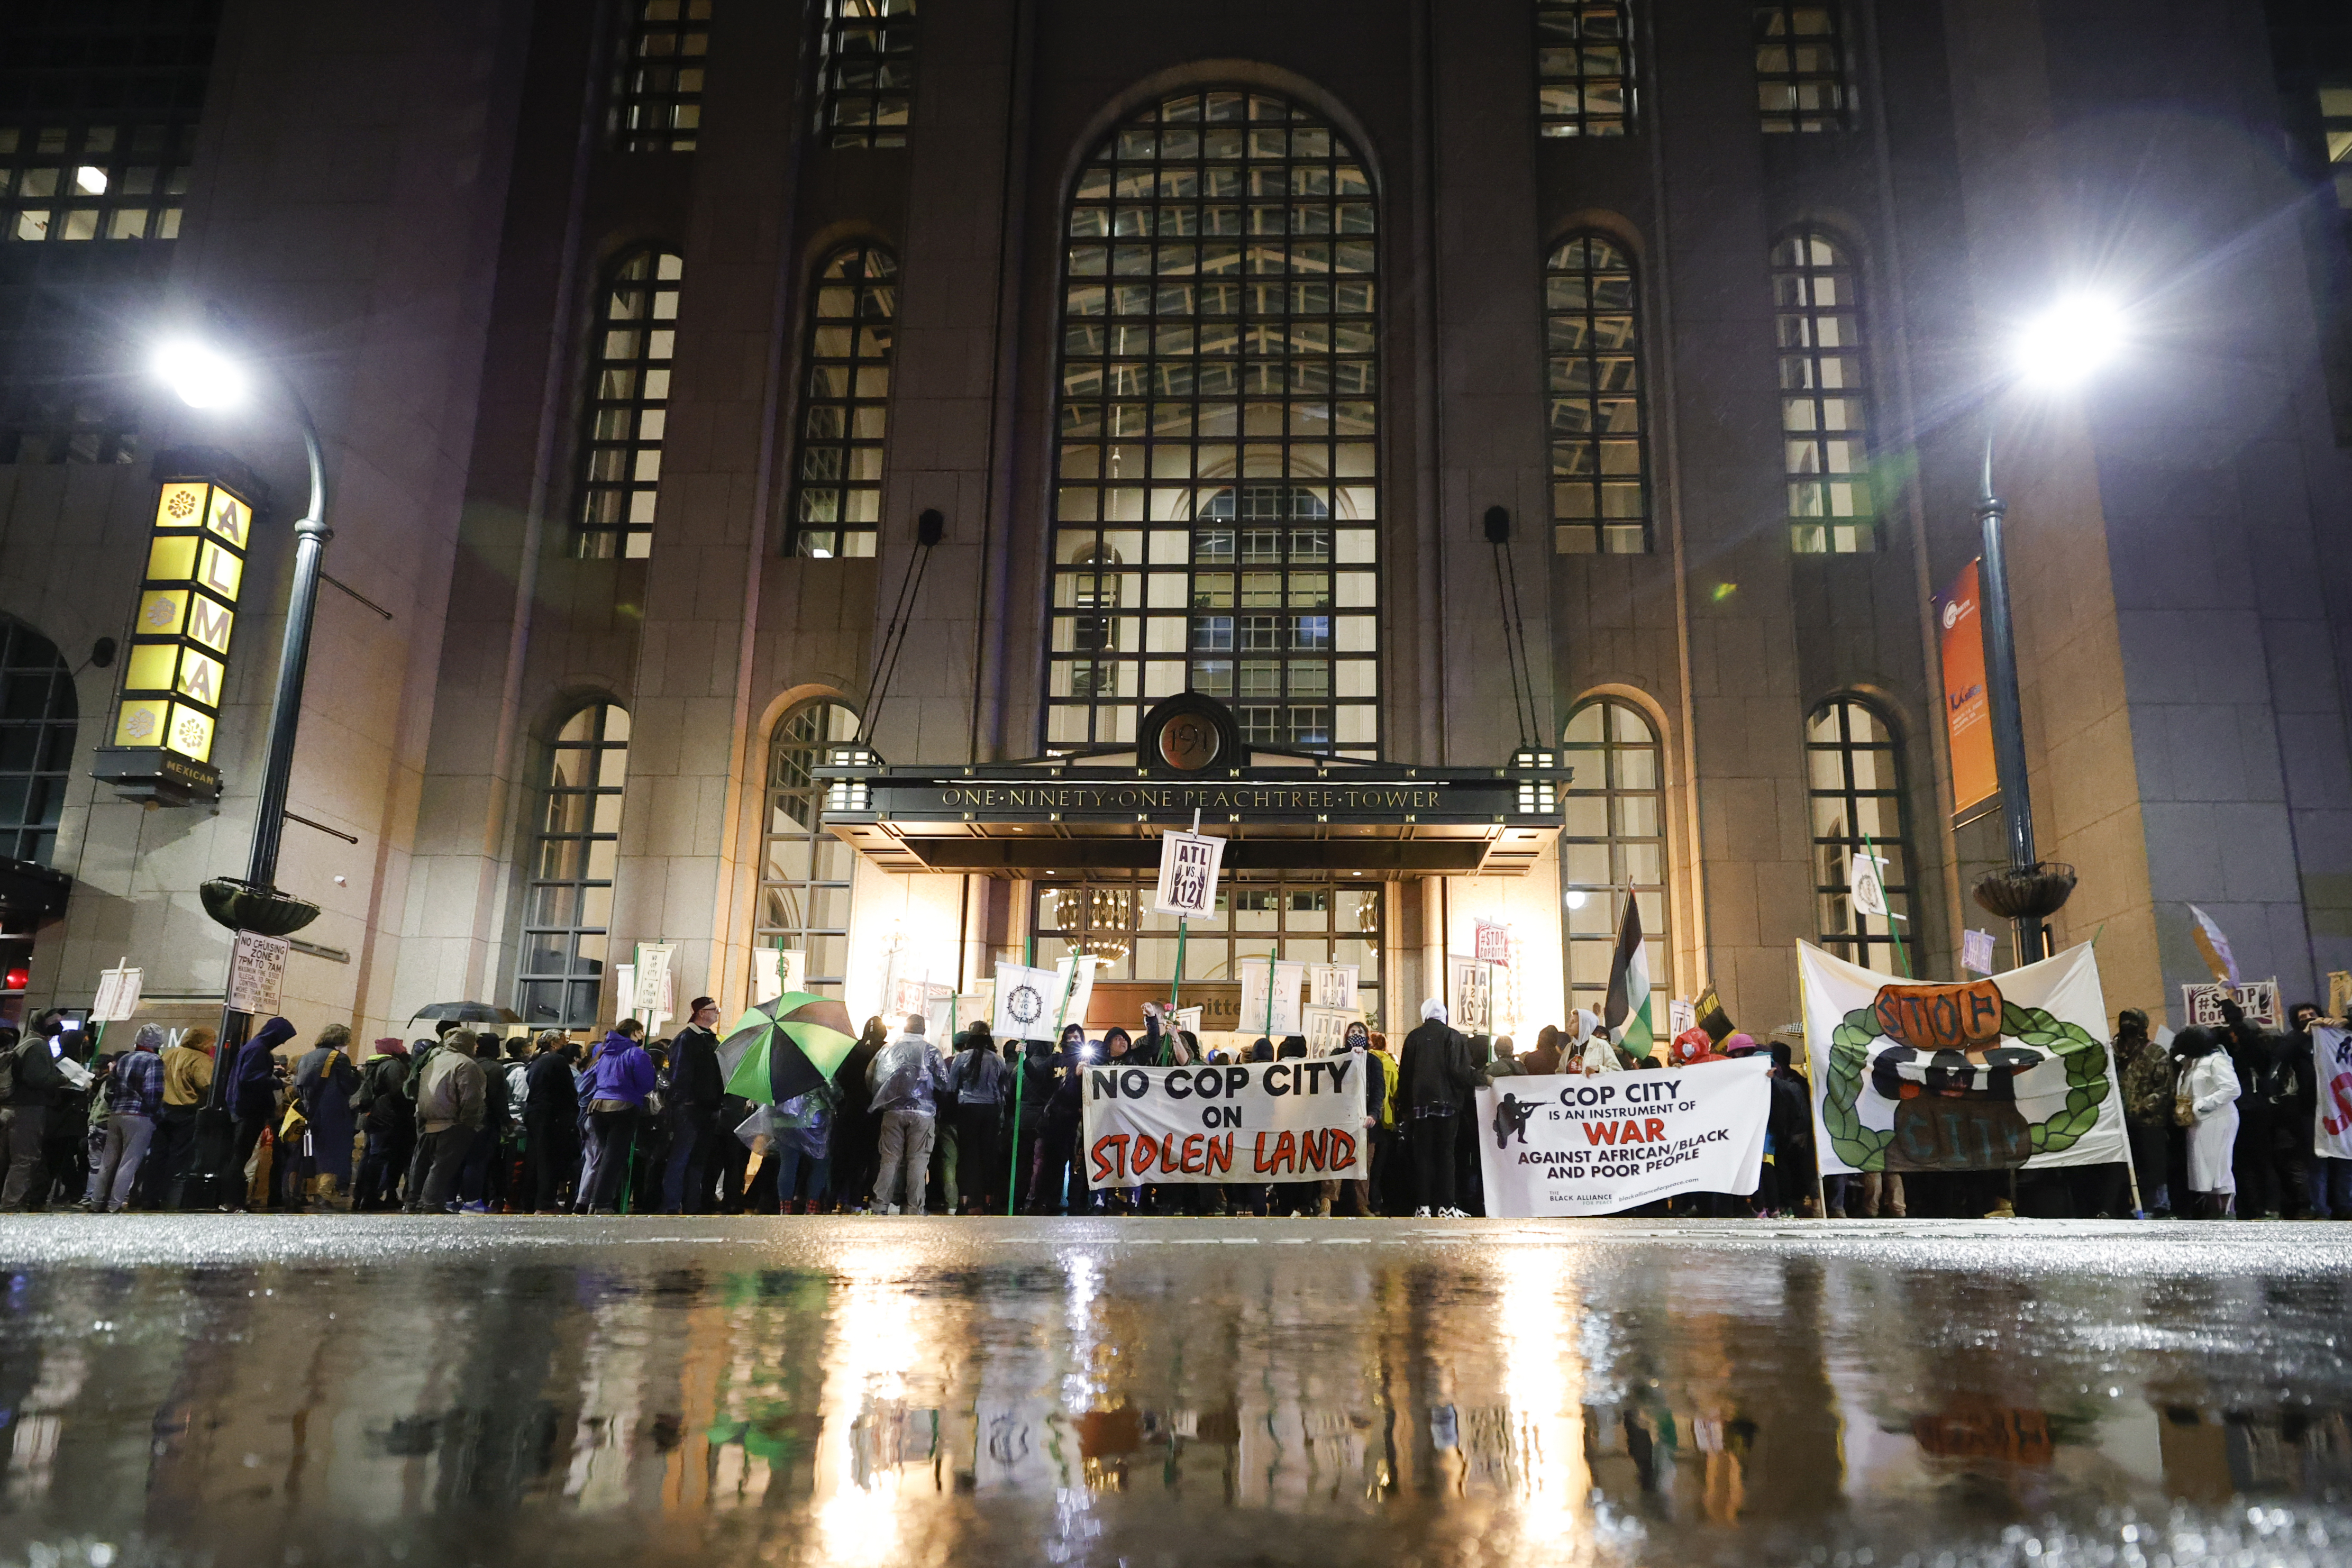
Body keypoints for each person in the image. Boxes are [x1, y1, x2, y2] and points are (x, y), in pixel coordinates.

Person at [1399, 999, 1476, 1217]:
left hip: (1420, 1105)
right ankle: (1447, 1204)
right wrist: (1478, 1079)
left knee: (1422, 1155)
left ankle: (1423, 1205)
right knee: (1446, 1154)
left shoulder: (1414, 1037)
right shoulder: (1453, 1036)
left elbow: (1405, 1074)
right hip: (1448, 1104)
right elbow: (1459, 1071)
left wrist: (1405, 1106)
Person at [868, 1014, 947, 1215]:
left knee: (889, 1159)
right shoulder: (931, 1051)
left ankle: (880, 1206)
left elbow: (871, 1075)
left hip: (892, 1111)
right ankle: (914, 1208)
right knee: (918, 1160)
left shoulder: (888, 1049)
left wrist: (882, 1098)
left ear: (906, 1029)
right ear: (923, 1031)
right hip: (923, 1113)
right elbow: (944, 1083)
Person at [84, 1023, 165, 1213]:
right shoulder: (154, 1061)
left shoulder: (125, 1059)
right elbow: (154, 1092)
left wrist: (116, 1106)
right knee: (129, 1162)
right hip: (139, 1116)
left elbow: (110, 1090)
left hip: (116, 1114)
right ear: (157, 1043)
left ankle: (96, 1203)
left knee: (108, 1161)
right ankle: (115, 1205)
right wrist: (156, 1114)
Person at [405, 1029, 487, 1213]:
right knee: (442, 1167)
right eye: (474, 1042)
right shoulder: (466, 1064)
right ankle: (431, 1203)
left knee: (421, 1165)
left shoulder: (434, 1060)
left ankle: (413, 1202)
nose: (476, 1047)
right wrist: (469, 1122)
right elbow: (471, 1097)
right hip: (453, 1122)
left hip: (428, 1121)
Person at [582, 1020, 657, 1215]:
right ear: (635, 1033)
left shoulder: (604, 1052)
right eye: (641, 1032)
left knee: (606, 1156)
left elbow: (587, 1080)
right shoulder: (636, 1054)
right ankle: (602, 1203)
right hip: (624, 1106)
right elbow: (647, 1083)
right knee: (614, 1158)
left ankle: (594, 1200)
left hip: (598, 1106)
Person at [662, 998, 726, 1214]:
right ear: (701, 1013)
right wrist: (684, 1099)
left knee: (698, 1159)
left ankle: (692, 1204)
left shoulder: (710, 1039)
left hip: (708, 1107)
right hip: (690, 1107)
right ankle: (671, 1204)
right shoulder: (688, 1038)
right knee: (681, 1157)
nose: (717, 1013)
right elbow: (680, 1073)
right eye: (713, 1010)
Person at [226, 1018, 297, 1211]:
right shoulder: (259, 1050)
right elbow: (250, 1079)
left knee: (242, 1154)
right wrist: (278, 1083)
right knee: (242, 1155)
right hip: (250, 1109)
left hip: (243, 1107)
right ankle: (234, 1200)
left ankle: (233, 1200)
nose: (282, 1043)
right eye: (283, 1038)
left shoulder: (253, 1047)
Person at [146, 1026, 216, 1210]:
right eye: (211, 1041)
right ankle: (171, 1199)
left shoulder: (169, 1054)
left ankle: (149, 1197)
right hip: (186, 1113)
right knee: (179, 1158)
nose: (212, 1046)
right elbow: (208, 1086)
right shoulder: (201, 1060)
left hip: (162, 1111)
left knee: (157, 1156)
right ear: (203, 1041)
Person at [291, 1025, 361, 1209]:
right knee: (333, 1154)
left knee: (309, 1152)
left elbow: (296, 1085)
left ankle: (299, 1192)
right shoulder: (338, 1058)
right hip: (333, 1112)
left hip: (309, 1110)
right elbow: (349, 1086)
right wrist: (357, 1076)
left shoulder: (306, 1057)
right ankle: (324, 1195)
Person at [2175, 1026, 2241, 1219]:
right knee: (2203, 1169)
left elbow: (2232, 1089)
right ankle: (2212, 1210)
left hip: (2218, 1119)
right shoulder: (2192, 1063)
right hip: (2198, 1122)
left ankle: (2227, 1211)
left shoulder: (2216, 1060)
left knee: (2219, 1166)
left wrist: (2203, 1105)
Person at [2113, 1009, 2174, 1217]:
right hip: (2121, 1123)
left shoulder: (2156, 1053)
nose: (2128, 1026)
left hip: (2150, 1122)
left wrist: (2140, 1109)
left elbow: (2164, 1089)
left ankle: (2158, 1206)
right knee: (2131, 1168)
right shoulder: (2115, 1052)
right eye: (2125, 1022)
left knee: (2154, 1166)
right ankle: (2133, 1206)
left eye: (2133, 1022)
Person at [946, 1023, 1008, 1214]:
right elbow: (1003, 1089)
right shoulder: (999, 1060)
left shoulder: (961, 1059)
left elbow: (951, 1088)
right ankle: (988, 1201)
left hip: (967, 1110)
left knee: (967, 1157)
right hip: (990, 1111)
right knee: (988, 1157)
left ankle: (964, 1201)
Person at [523, 1032, 582, 1213]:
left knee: (534, 1160)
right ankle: (545, 1204)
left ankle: (529, 1204)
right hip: (550, 1115)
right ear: (555, 1044)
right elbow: (568, 1090)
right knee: (549, 1161)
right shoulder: (557, 1062)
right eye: (565, 1042)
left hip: (534, 1112)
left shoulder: (537, 1062)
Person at [351, 1039, 413, 1212]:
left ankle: (360, 1195)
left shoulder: (373, 1063)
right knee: (379, 1156)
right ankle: (371, 1197)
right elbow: (399, 1092)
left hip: (371, 1115)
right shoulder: (393, 1065)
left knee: (369, 1155)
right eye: (401, 1046)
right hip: (386, 1116)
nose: (405, 1048)